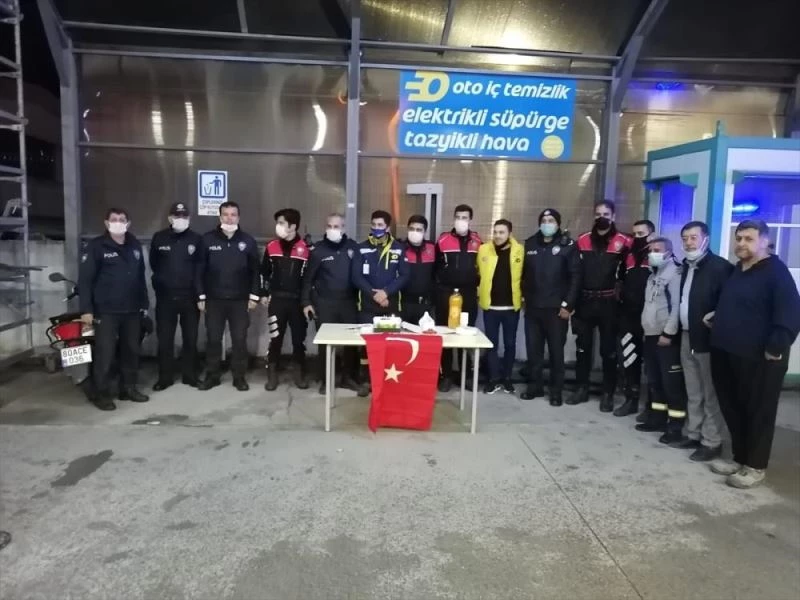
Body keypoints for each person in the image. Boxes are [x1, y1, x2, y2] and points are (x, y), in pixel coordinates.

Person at [708, 220, 800, 488]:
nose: (741, 244)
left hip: (760, 357)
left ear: (764, 241)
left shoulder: (776, 272)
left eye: (748, 239)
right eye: (738, 238)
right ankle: (739, 458)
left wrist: (776, 347)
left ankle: (756, 466)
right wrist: (717, 317)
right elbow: (740, 304)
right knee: (733, 407)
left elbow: (790, 313)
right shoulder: (739, 269)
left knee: (758, 411)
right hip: (727, 350)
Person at [78, 207, 149, 410]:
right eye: (114, 219)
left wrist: (144, 305)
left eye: (122, 219)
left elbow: (140, 277)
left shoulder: (134, 245)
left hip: (132, 310)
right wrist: (86, 309)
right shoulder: (96, 246)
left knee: (131, 351)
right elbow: (85, 281)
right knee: (105, 354)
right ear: (106, 223)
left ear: (128, 223)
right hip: (106, 311)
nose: (118, 222)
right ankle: (100, 393)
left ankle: (128, 388)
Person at [675, 221, 733, 461]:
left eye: (693, 238)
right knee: (693, 390)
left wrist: (716, 317)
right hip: (686, 335)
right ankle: (693, 433)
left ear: (705, 239)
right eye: (685, 238)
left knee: (710, 393)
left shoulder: (720, 267)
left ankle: (712, 441)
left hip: (708, 339)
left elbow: (729, 302)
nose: (689, 243)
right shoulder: (686, 266)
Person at [568, 200, 632, 411]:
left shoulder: (624, 242)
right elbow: (575, 273)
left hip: (609, 303)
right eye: (598, 214)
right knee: (582, 348)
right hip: (585, 301)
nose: (601, 217)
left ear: (613, 216)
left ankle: (608, 393)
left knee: (609, 351)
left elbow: (629, 273)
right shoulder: (582, 240)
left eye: (606, 214)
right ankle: (581, 389)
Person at [196, 201, 261, 392]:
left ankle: (239, 376)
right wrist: (200, 296)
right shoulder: (207, 240)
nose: (229, 218)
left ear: (238, 217)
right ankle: (212, 375)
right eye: (225, 214)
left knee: (239, 340)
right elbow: (198, 270)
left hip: (240, 300)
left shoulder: (248, 241)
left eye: (233, 214)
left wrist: (254, 296)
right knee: (213, 339)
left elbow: (255, 272)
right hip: (214, 300)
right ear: (220, 217)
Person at [520, 208, 580, 406]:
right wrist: (524, 298)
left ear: (558, 224)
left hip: (556, 310)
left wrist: (568, 305)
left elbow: (575, 277)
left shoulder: (568, 245)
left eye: (551, 220)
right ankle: (534, 387)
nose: (547, 224)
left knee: (556, 352)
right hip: (533, 308)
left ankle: (556, 391)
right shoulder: (530, 244)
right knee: (533, 351)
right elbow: (524, 275)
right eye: (544, 220)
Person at [635, 237, 689, 445]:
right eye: (651, 250)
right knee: (655, 381)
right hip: (650, 335)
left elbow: (676, 307)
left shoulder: (674, 273)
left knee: (671, 384)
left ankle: (675, 426)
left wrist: (668, 333)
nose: (652, 254)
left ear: (668, 252)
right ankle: (657, 419)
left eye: (657, 250)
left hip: (665, 337)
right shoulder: (653, 274)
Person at [351, 210, 409, 396]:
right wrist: (373, 294)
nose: (376, 228)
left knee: (390, 343)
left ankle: (388, 380)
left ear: (387, 227)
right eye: (374, 225)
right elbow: (356, 277)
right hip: (367, 306)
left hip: (390, 304)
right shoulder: (361, 248)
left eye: (380, 225)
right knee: (367, 344)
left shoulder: (398, 248)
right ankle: (366, 380)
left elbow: (404, 275)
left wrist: (386, 293)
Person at [301, 213, 360, 395]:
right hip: (325, 303)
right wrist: (306, 302)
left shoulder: (353, 248)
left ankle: (348, 377)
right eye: (329, 226)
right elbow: (307, 279)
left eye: (336, 226)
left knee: (351, 343)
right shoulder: (318, 251)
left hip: (349, 302)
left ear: (343, 228)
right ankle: (326, 379)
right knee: (326, 343)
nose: (332, 230)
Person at [149, 202, 202, 391]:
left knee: (190, 339)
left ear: (189, 218)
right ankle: (165, 377)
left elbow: (200, 268)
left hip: (190, 298)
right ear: (170, 218)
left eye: (184, 216)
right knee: (165, 340)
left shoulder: (197, 239)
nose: (181, 219)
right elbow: (154, 264)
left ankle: (190, 375)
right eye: (177, 216)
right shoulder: (159, 238)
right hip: (166, 298)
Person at [261, 208, 310, 391]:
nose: (278, 226)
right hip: (277, 301)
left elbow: (309, 279)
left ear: (293, 226)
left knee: (299, 340)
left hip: (298, 303)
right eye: (278, 223)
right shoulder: (271, 247)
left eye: (282, 223)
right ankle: (272, 373)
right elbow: (264, 273)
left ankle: (299, 373)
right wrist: (263, 293)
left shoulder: (306, 249)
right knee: (275, 338)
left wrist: (307, 301)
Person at [435, 204, 481, 392]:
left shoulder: (478, 241)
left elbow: (482, 267)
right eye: (458, 217)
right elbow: (435, 268)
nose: (461, 221)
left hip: (468, 294)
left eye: (465, 217)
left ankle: (466, 375)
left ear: (470, 220)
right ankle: (445, 375)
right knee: (445, 334)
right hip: (445, 293)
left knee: (466, 333)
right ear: (453, 218)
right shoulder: (443, 240)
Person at [477, 219, 523, 394]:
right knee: (491, 344)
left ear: (509, 233)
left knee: (510, 344)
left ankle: (507, 378)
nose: (497, 235)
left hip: (511, 308)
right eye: (495, 232)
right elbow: (477, 272)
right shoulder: (483, 250)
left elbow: (525, 274)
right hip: (491, 307)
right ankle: (493, 379)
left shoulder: (519, 250)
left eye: (501, 232)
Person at [615, 219, 655, 418]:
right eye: (635, 234)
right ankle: (631, 400)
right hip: (629, 316)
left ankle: (651, 406)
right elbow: (619, 281)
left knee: (652, 363)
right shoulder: (627, 256)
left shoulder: (658, 255)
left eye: (642, 234)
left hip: (651, 318)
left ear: (651, 234)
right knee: (630, 359)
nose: (637, 238)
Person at [401, 215, 437, 325]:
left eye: (419, 229)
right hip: (403, 304)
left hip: (426, 304)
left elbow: (437, 273)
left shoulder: (432, 248)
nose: (414, 232)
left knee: (425, 334)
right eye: (412, 229)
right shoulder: (400, 248)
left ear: (424, 231)